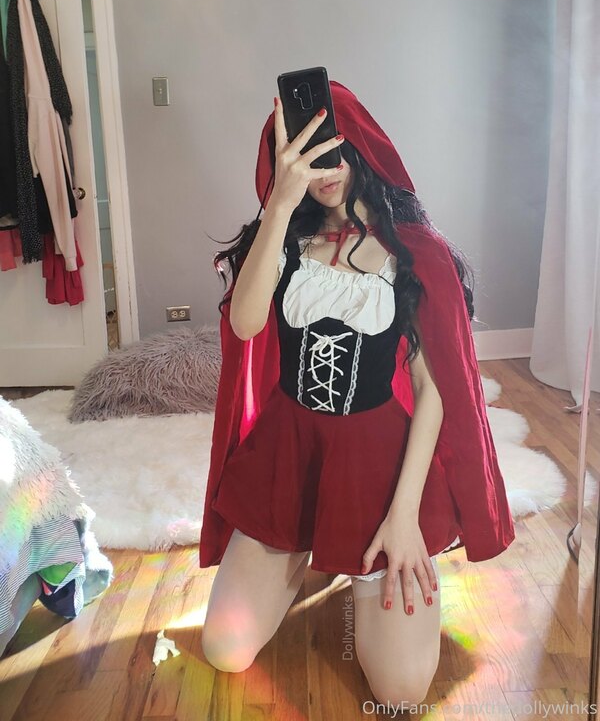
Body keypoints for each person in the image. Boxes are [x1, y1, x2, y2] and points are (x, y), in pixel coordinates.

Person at [199, 81, 515, 706]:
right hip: (289, 457)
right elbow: (245, 323)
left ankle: (362, 559)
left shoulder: (416, 254)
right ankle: (309, 552)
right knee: (224, 651)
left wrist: (404, 518)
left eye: (333, 152)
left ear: (360, 147)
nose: (325, 172)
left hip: (379, 467)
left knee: (400, 692)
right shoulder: (284, 242)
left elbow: (433, 392)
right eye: (307, 158)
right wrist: (279, 205)